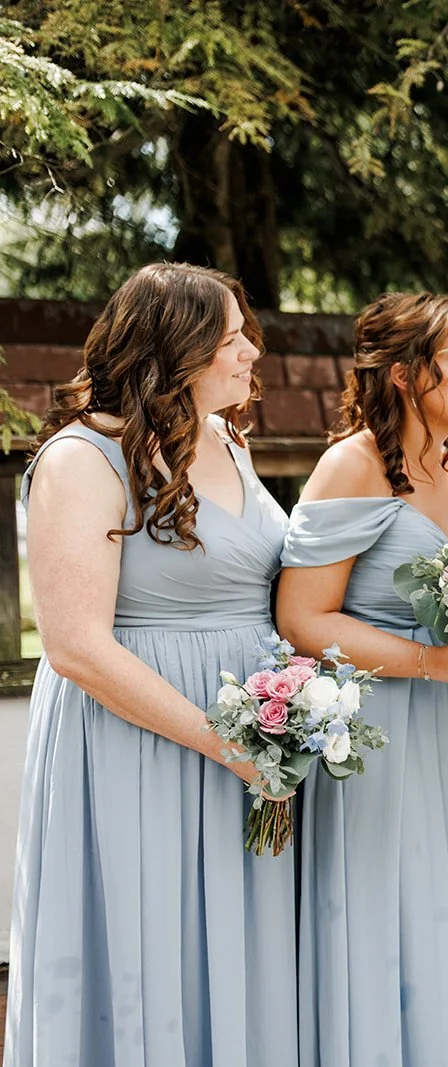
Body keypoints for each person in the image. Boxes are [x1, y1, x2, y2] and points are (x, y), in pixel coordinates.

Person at [5, 263, 297, 1065]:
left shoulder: (227, 438)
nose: (251, 353)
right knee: (147, 953)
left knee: (236, 962)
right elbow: (76, 645)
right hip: (139, 744)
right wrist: (227, 743)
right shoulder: (81, 459)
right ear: (176, 350)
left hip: (245, 744)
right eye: (231, 338)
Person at [276, 291, 448, 1066]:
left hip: (447, 730)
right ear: (405, 374)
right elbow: (302, 617)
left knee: (435, 914)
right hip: (372, 732)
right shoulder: (353, 463)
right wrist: (433, 662)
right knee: (379, 918)